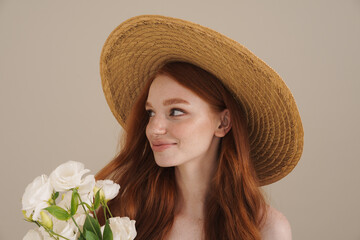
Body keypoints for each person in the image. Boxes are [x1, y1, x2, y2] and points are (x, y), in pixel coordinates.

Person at [96, 15, 304, 240]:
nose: (154, 128)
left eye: (176, 112)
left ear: (223, 123)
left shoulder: (266, 229)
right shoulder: (124, 216)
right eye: (150, 112)